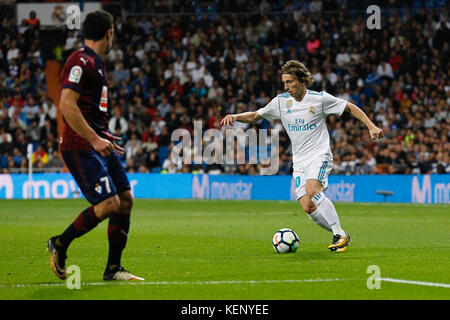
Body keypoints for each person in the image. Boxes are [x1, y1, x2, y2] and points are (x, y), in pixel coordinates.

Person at [221, 60, 384, 252]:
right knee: (308, 206)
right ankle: (340, 233)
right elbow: (256, 115)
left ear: (301, 80)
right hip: (299, 162)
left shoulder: (319, 99)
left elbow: (349, 107)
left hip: (319, 155)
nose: (286, 86)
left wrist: (371, 126)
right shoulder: (281, 102)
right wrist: (236, 116)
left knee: (313, 189)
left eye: (289, 82)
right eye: (284, 83)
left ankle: (339, 234)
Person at [47, 11, 144, 281]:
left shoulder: (95, 63)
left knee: (125, 199)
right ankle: (60, 243)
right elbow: (66, 104)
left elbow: (87, 110)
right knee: (109, 203)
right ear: (109, 33)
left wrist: (103, 135)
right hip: (80, 145)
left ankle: (113, 269)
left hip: (97, 141)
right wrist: (94, 138)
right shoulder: (80, 60)